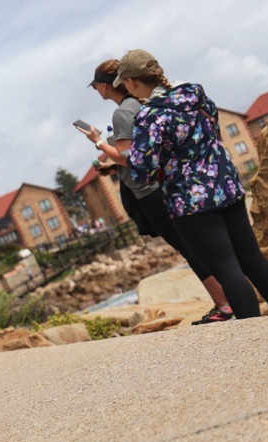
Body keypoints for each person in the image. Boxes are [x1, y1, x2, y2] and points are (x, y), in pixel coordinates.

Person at [115, 49, 268, 320]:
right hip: (225, 184)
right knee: (253, 260)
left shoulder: (149, 116)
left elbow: (143, 171)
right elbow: (213, 128)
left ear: (131, 82)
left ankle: (258, 338)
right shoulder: (194, 94)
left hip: (190, 200)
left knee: (227, 269)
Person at [78, 58, 234, 325]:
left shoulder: (122, 113)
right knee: (197, 243)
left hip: (149, 191)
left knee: (188, 248)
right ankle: (231, 298)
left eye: (95, 86)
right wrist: (113, 168)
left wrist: (98, 143)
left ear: (105, 86)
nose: (96, 91)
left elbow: (130, 158)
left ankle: (225, 304)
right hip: (167, 182)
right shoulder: (142, 103)